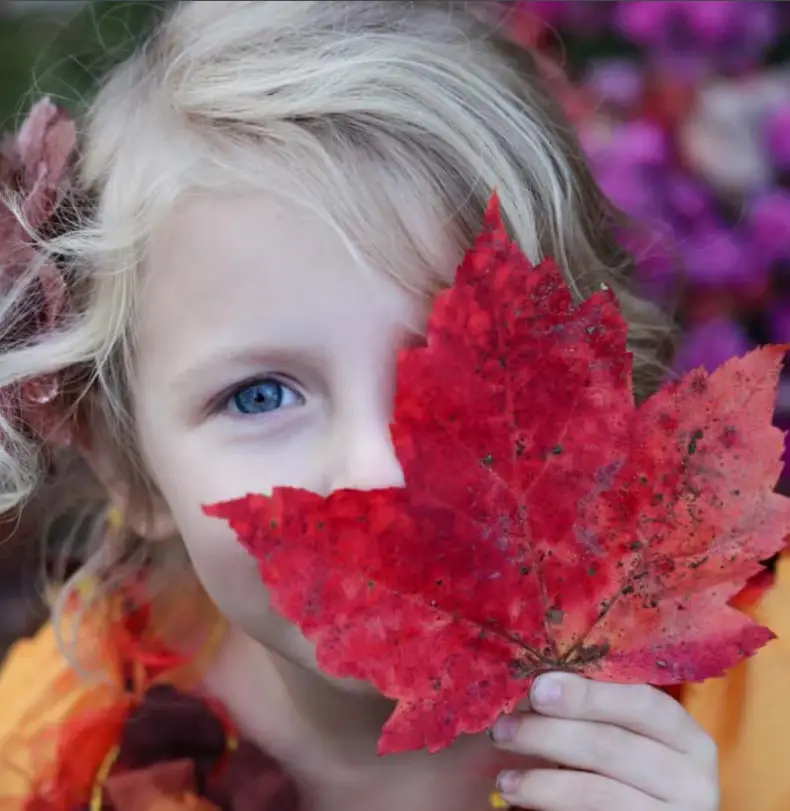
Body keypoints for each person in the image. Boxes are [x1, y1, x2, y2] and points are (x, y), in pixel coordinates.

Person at [0, 1, 765, 808]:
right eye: (260, 395)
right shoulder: (48, 751)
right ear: (130, 468)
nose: (380, 469)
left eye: (466, 367)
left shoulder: (755, 701)